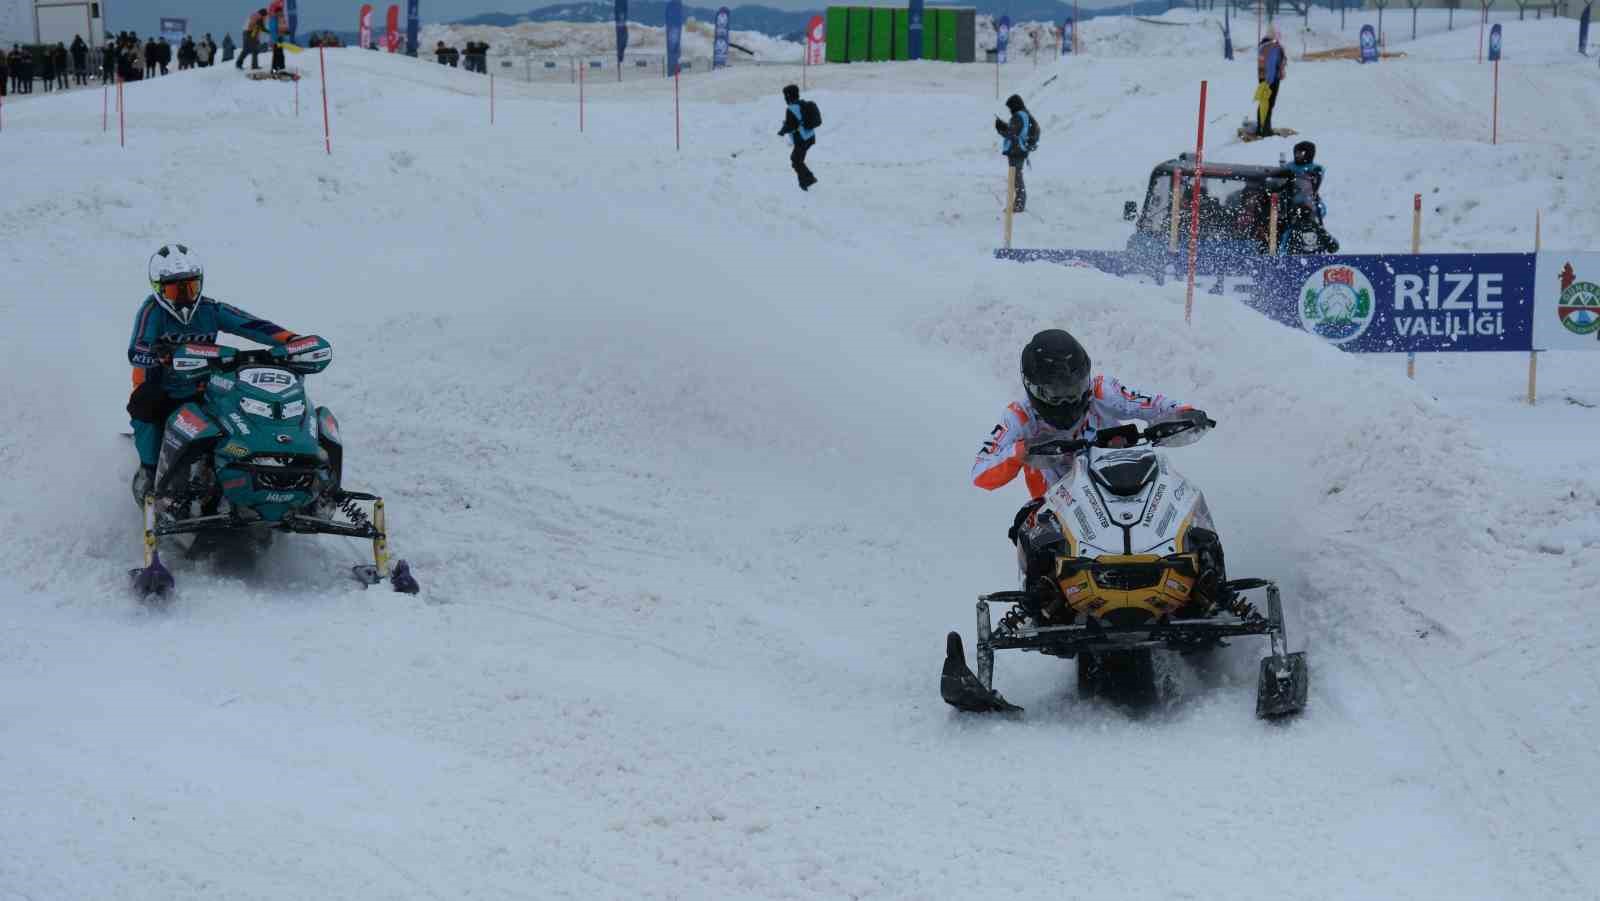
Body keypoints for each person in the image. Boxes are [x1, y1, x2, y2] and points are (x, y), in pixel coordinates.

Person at [972, 329, 1212, 615]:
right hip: (1061, 503)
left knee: (1188, 501)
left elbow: (1152, 404)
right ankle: (1044, 607)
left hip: (1126, 488)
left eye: (1074, 388)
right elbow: (981, 471)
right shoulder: (1019, 416)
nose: (1068, 400)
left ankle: (1210, 586)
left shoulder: (1102, 391)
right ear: (1033, 389)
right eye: (1055, 394)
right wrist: (1021, 451)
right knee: (1028, 527)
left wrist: (1183, 412)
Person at [126, 244, 305, 503]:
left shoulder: (210, 309)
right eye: (176, 290)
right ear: (159, 289)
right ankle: (149, 472)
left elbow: (251, 324)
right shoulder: (151, 313)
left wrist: (290, 339)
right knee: (143, 406)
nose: (186, 296)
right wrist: (161, 354)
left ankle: (246, 476)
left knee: (242, 407)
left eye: (192, 287)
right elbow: (136, 351)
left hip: (204, 387)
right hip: (163, 390)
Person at [1281, 140, 1339, 253]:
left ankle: (1318, 249)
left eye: (1301, 153)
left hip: (1309, 205)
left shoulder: (1315, 169)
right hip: (1292, 206)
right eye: (1296, 153)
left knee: (1313, 228)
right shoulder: (1289, 167)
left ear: (1309, 154)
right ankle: (1284, 252)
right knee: (1289, 231)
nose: (1297, 156)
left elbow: (1314, 185)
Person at [993, 93, 1035, 213]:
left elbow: (1011, 133)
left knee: (1016, 177)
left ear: (1014, 105)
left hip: (1017, 151)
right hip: (1018, 150)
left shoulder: (1018, 116)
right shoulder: (1023, 115)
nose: (1010, 110)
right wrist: (1002, 128)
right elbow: (1013, 132)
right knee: (1016, 177)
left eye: (1010, 107)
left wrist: (1001, 127)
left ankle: (1019, 204)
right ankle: (1018, 202)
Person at [777, 84, 819, 192]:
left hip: (802, 140)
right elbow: (796, 121)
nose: (785, 99)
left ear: (788, 96)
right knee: (797, 160)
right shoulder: (803, 104)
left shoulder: (791, 109)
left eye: (785, 96)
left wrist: (782, 131)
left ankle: (809, 180)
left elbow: (791, 125)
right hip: (810, 137)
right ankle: (805, 182)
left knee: (795, 160)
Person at [1256, 35, 1286, 138]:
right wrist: (1269, 81)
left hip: (1264, 79)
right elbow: (1272, 64)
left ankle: (1261, 128)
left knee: (1264, 104)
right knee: (1268, 105)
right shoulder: (1273, 48)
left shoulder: (1263, 47)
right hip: (1270, 80)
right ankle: (1265, 130)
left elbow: (1264, 64)